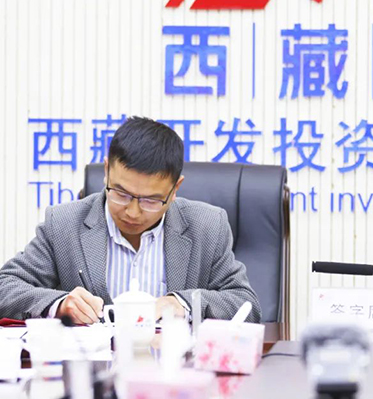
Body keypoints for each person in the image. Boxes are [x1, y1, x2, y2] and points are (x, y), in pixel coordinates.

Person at [0, 116, 261, 324]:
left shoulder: (207, 226)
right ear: (107, 171)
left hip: (173, 368)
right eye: (121, 194)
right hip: (92, 370)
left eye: (151, 200)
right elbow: (5, 287)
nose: (133, 212)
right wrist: (59, 304)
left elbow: (246, 304)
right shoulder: (64, 224)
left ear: (175, 189)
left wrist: (183, 304)